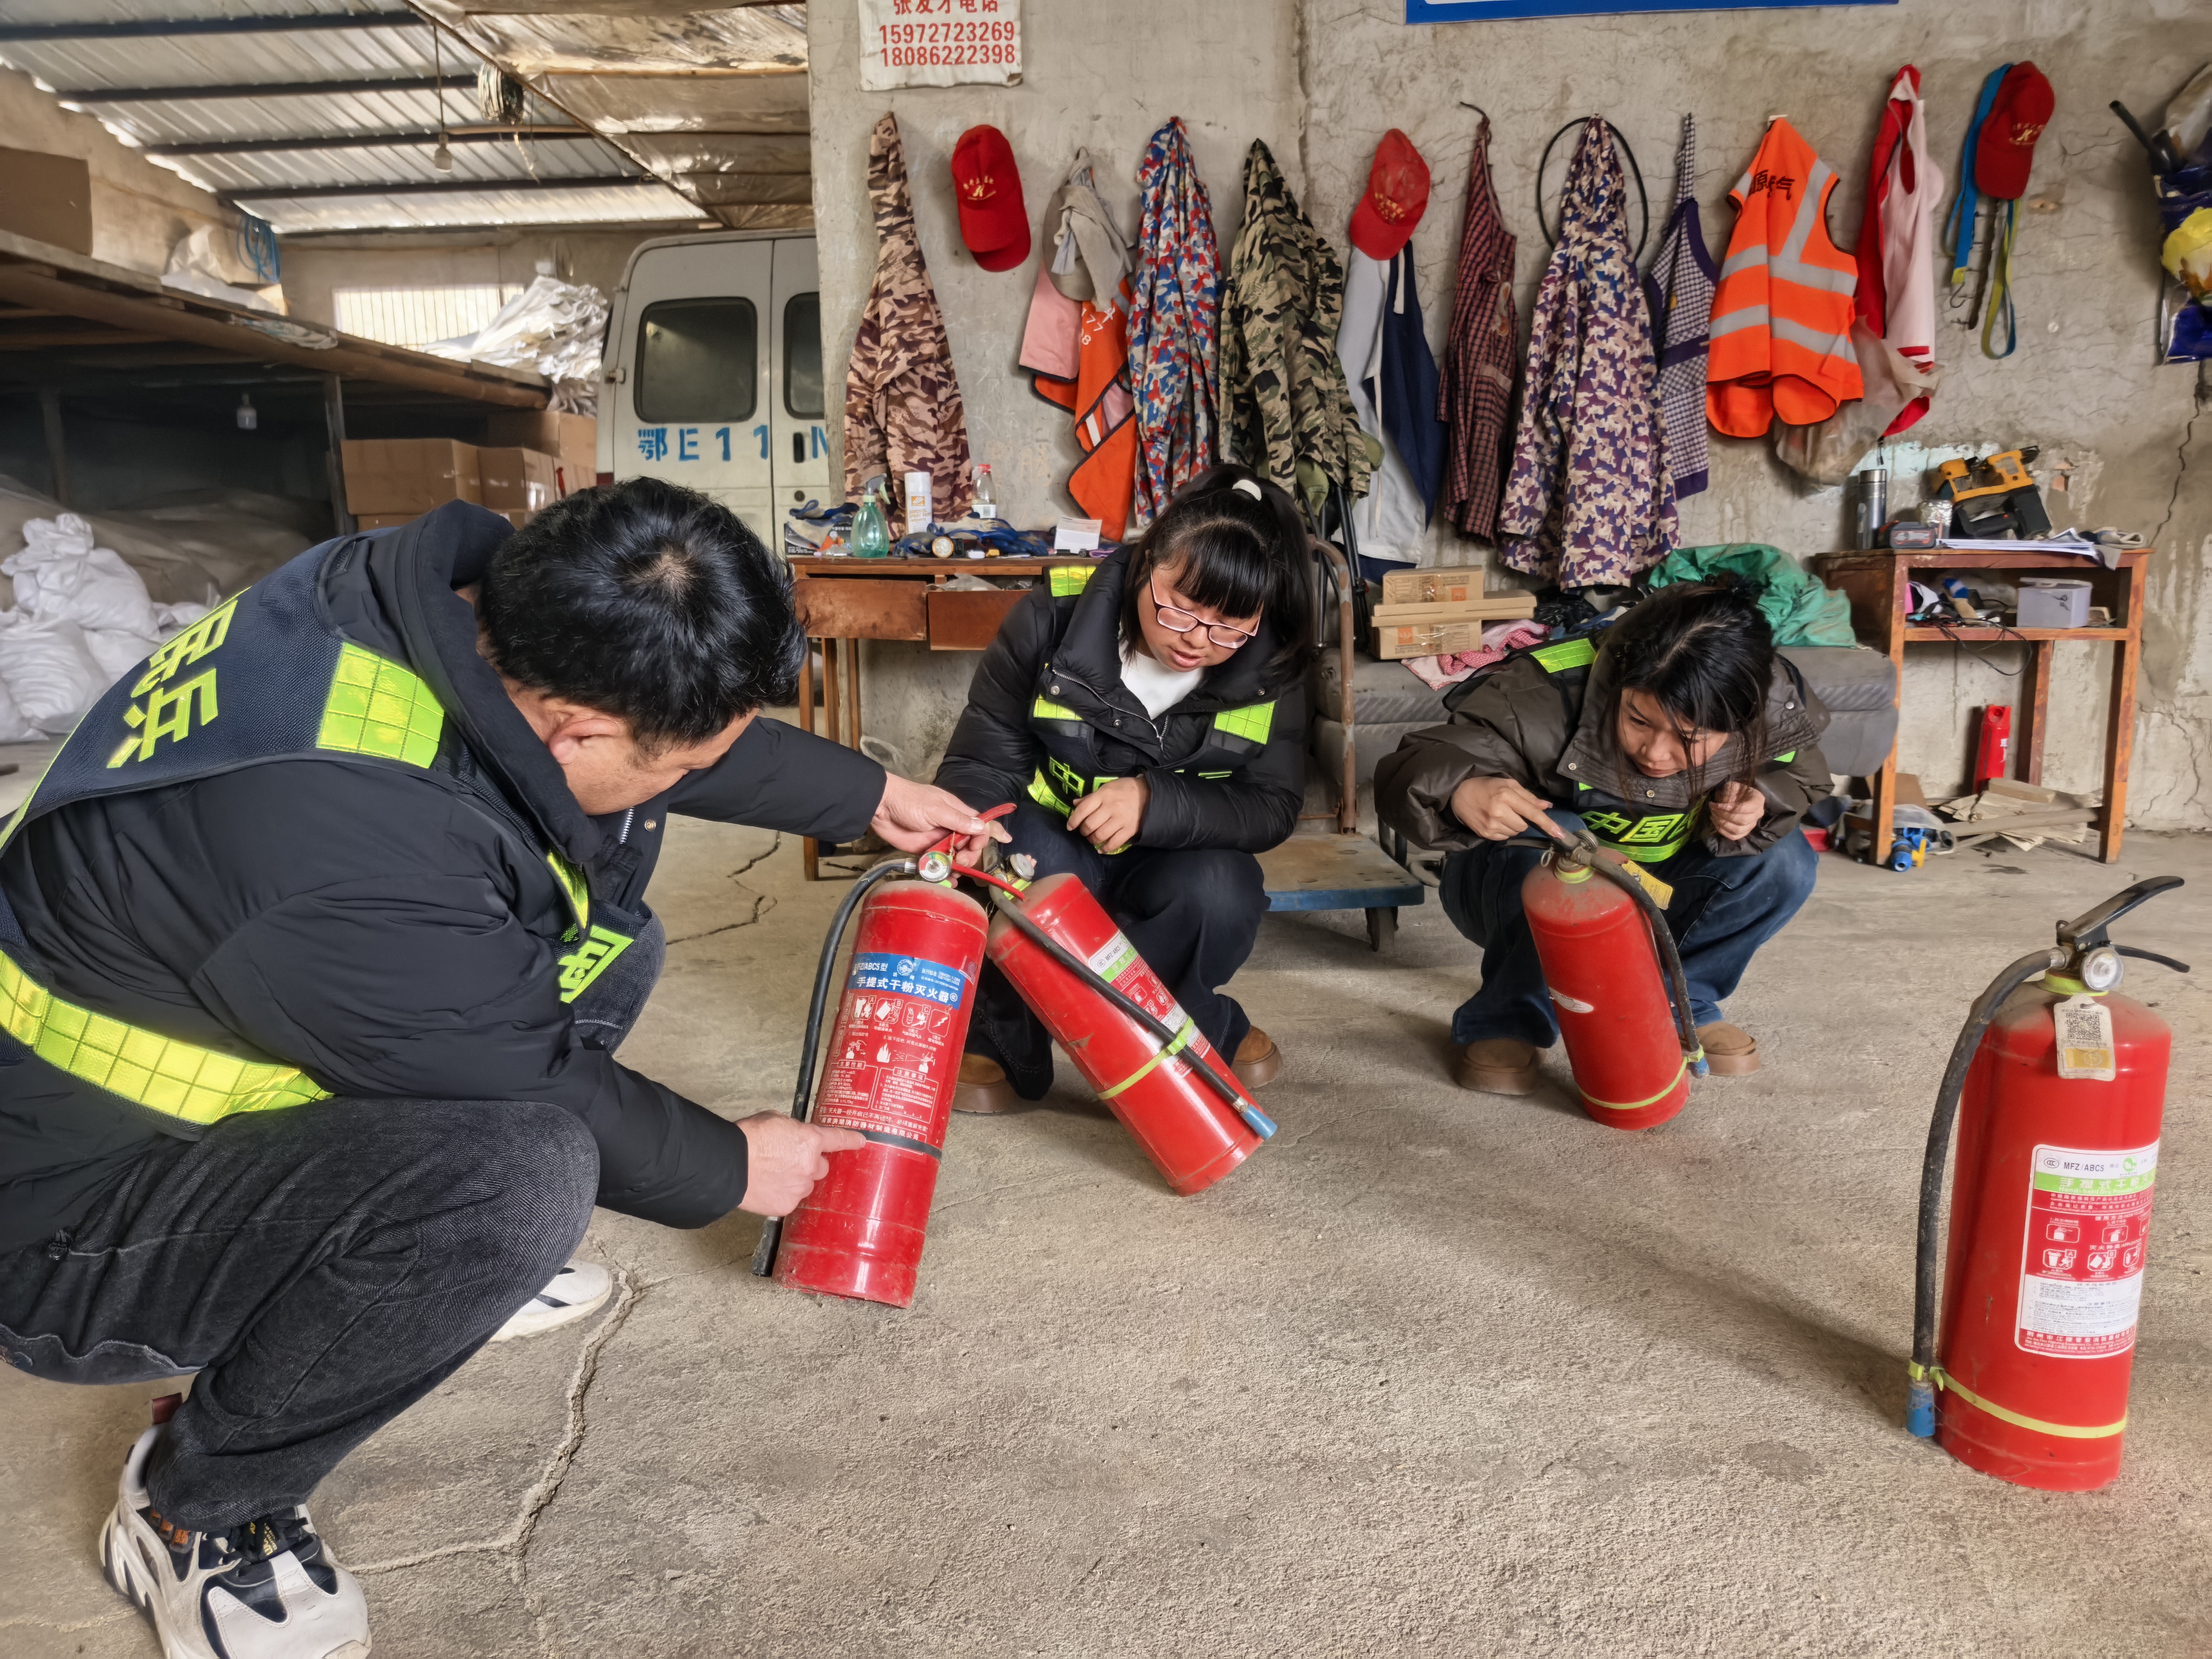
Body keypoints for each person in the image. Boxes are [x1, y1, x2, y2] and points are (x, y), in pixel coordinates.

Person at [0, 480, 1003, 1659]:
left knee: (606, 942)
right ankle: (196, 1506)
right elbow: (524, 1074)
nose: (684, 772)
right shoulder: (345, 848)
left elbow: (661, 743)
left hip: (242, 1016)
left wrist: (869, 793)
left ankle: (396, 1270)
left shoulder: (422, 604)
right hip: (68, 1211)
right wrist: (734, 1163)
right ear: (572, 720)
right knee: (515, 1183)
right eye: (673, 755)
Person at [934, 465, 1313, 1111]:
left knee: (1222, 891)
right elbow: (983, 755)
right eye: (1182, 607)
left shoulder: (1271, 664)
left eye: (1230, 625)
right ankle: (1009, 1038)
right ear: (1145, 566)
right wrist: (966, 830)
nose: (1199, 640)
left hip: (1172, 858)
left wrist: (1153, 802)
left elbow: (1272, 804)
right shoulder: (1053, 616)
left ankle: (1182, 1022)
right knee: (1021, 859)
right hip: (1058, 839)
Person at [1375, 580, 1826, 1091]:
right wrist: (1462, 789)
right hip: (1515, 892)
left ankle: (1684, 999)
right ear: (1619, 683)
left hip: (1663, 889)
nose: (1656, 754)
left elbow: (1805, 776)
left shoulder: (1774, 701)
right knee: (1553, 839)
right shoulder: (1543, 692)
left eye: (1691, 741)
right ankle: (1507, 1017)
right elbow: (1415, 767)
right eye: (1638, 719)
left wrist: (1762, 797)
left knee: (1785, 861)